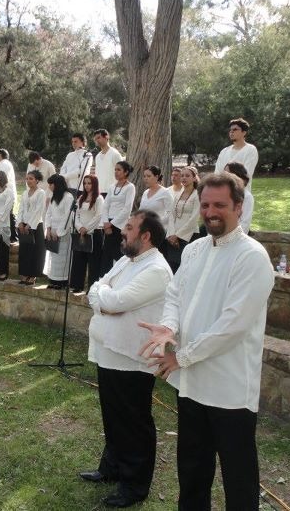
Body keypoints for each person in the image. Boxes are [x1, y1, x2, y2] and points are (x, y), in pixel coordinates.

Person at [138, 173, 275, 510]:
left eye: (220, 205)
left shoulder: (252, 256)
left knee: (238, 477)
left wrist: (181, 357)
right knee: (192, 470)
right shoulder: (195, 249)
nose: (211, 212)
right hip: (192, 385)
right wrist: (168, 327)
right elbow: (174, 295)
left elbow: (232, 326)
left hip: (229, 389)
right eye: (205, 205)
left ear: (239, 207)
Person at [80, 209, 173, 508]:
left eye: (130, 227)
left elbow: (117, 301)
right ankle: (112, 468)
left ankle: (134, 485)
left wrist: (102, 296)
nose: (123, 230)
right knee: (113, 415)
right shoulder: (127, 260)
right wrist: (102, 296)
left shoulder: (156, 270)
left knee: (133, 421)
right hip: (110, 352)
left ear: (146, 236)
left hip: (131, 357)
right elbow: (98, 286)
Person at [99, 161, 135, 277]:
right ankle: (104, 278)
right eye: (115, 169)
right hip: (108, 223)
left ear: (126, 172)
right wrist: (106, 222)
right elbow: (106, 205)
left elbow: (127, 208)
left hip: (120, 225)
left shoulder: (130, 187)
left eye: (119, 170)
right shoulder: (112, 187)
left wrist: (112, 224)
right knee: (106, 254)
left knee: (118, 253)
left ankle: (118, 278)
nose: (116, 172)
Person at [69, 174, 104, 293]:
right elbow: (76, 214)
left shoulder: (99, 199)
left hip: (93, 233)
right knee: (78, 260)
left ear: (94, 184)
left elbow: (98, 216)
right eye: (85, 183)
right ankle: (77, 285)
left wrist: (87, 228)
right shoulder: (81, 198)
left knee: (93, 262)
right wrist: (79, 227)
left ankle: (92, 288)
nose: (87, 185)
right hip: (81, 233)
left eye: (89, 183)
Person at [164, 166, 200, 274]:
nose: (184, 178)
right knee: (172, 267)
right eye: (182, 175)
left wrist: (178, 235)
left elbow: (194, 218)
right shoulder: (179, 193)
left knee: (185, 267)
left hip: (189, 235)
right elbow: (172, 214)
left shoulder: (197, 195)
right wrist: (171, 233)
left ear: (194, 178)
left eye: (187, 176)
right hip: (173, 236)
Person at [44, 174, 74, 289]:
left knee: (62, 257)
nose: (50, 187)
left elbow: (67, 216)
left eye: (51, 184)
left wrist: (58, 232)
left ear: (57, 184)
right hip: (52, 231)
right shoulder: (54, 197)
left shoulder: (68, 197)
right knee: (53, 256)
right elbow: (48, 213)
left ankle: (62, 282)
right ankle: (53, 280)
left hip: (63, 231)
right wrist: (48, 229)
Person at [16, 170, 46, 285]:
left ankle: (33, 275)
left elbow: (39, 210)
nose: (28, 181)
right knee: (24, 251)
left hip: (35, 226)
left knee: (35, 252)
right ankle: (24, 273)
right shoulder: (25, 193)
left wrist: (30, 225)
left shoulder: (41, 193)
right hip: (23, 226)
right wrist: (20, 222)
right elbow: (21, 208)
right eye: (27, 178)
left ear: (37, 180)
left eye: (31, 178)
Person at [214, 118, 258, 191]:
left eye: (235, 129)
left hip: (242, 193)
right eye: (230, 130)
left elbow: (246, 174)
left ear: (244, 132)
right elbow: (217, 174)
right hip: (223, 193)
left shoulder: (251, 150)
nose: (231, 132)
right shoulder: (224, 151)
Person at [139, 166, 174, 238]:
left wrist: (157, 222)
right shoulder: (145, 192)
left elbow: (171, 213)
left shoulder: (165, 192)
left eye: (149, 176)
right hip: (144, 230)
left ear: (156, 177)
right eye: (144, 176)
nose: (146, 178)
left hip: (158, 230)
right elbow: (140, 211)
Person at [224, 161, 255, 234]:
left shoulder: (247, 197)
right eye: (224, 174)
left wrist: (226, 238)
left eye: (228, 174)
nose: (224, 177)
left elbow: (245, 225)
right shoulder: (221, 194)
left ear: (237, 176)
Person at [0, 148, 18, 243]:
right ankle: (11, 236)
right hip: (7, 193)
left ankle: (13, 236)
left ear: (0, 155)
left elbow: (0, 179)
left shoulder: (4, 164)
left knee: (9, 214)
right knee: (8, 214)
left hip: (6, 194)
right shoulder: (6, 164)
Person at [91, 129, 123, 198]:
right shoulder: (97, 157)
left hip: (113, 192)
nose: (97, 141)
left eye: (99, 138)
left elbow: (122, 173)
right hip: (99, 192)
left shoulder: (115, 154)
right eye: (95, 139)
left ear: (106, 137)